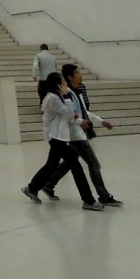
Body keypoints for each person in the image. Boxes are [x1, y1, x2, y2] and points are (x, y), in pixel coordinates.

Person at [41, 65, 122, 206]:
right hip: (74, 134)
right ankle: (103, 195)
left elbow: (84, 111)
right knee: (93, 163)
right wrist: (80, 122)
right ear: (69, 77)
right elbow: (70, 114)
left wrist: (101, 121)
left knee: (69, 161)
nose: (80, 74)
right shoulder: (65, 94)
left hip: (75, 133)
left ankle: (48, 183)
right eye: (77, 72)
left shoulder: (76, 91)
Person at [22, 72, 103, 210]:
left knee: (52, 165)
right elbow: (69, 113)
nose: (66, 85)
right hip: (55, 137)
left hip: (59, 137)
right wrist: (66, 96)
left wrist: (80, 121)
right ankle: (88, 200)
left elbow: (70, 115)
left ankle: (32, 188)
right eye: (63, 82)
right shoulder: (52, 98)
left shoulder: (57, 97)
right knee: (75, 165)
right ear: (58, 85)